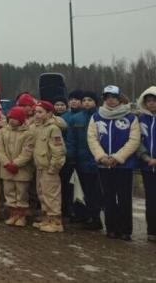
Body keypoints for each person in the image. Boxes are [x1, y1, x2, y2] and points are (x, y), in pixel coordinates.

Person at [87, 85, 140, 241]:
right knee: (108, 197)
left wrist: (117, 157)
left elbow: (134, 140)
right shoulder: (97, 117)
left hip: (124, 165)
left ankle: (125, 230)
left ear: (119, 98)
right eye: (107, 97)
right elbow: (92, 138)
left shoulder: (131, 117)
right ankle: (111, 228)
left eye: (114, 97)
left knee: (124, 198)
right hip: (104, 164)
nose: (111, 100)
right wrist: (102, 157)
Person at [0, 106, 35, 227]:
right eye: (10, 118)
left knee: (21, 193)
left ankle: (22, 215)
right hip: (6, 168)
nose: (12, 121)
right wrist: (6, 163)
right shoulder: (3, 132)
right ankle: (13, 214)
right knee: (9, 192)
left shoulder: (28, 133)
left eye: (15, 118)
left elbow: (27, 151)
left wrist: (16, 163)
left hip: (22, 170)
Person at [31, 100, 66, 233]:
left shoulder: (53, 128)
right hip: (40, 166)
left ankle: (56, 221)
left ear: (49, 113)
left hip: (49, 168)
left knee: (52, 195)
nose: (37, 115)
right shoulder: (39, 127)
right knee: (42, 193)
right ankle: (46, 218)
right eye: (36, 112)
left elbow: (58, 150)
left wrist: (54, 167)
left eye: (40, 112)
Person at [72, 91, 103, 230]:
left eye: (90, 100)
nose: (86, 102)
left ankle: (97, 217)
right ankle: (90, 216)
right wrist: (72, 157)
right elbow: (72, 140)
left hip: (98, 160)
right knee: (86, 190)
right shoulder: (76, 118)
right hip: (81, 160)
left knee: (98, 191)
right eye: (84, 100)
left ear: (95, 102)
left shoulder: (101, 117)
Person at [136, 86, 156, 242]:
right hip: (147, 165)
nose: (151, 104)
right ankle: (152, 231)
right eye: (148, 101)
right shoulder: (141, 119)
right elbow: (138, 140)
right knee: (151, 199)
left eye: (154, 100)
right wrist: (145, 157)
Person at [61, 90, 83, 221]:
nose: (73, 101)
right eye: (71, 99)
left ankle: (80, 212)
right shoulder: (64, 117)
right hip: (66, 157)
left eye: (76, 99)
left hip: (81, 157)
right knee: (66, 186)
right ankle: (67, 210)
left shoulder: (84, 116)